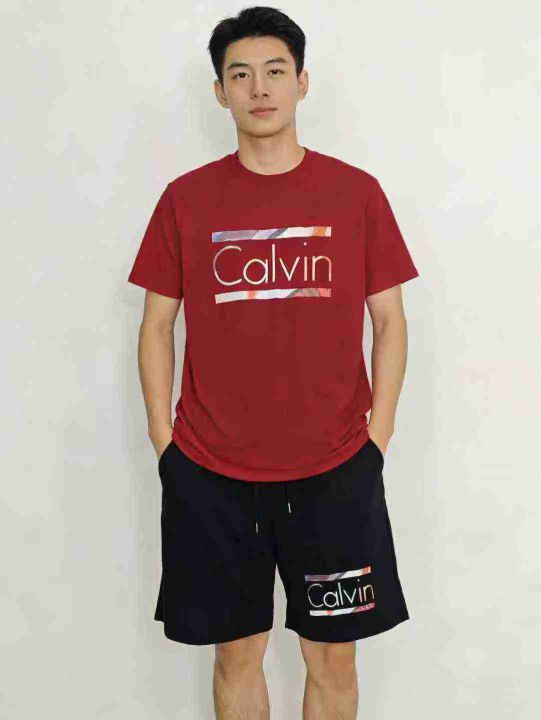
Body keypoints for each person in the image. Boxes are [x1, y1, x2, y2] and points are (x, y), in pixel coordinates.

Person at [127, 6, 420, 719]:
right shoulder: (186, 199)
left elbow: (389, 322)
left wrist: (376, 439)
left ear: (301, 82)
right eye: (240, 75)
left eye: (275, 71)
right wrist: (165, 444)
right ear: (220, 92)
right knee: (237, 654)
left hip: (335, 469)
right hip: (212, 474)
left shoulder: (355, 193)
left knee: (333, 659)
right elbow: (157, 326)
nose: (259, 88)